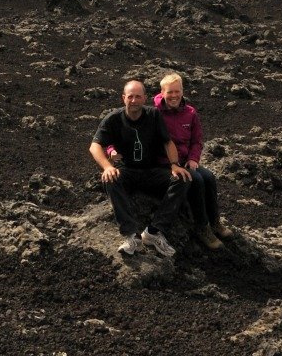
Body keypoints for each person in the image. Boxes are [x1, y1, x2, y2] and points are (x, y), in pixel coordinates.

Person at [89, 79, 191, 257]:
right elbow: (95, 146)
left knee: (182, 178)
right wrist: (107, 166)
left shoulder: (153, 115)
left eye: (138, 96)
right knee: (111, 179)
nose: (134, 100)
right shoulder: (113, 118)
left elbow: (167, 142)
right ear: (123, 98)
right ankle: (130, 235)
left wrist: (174, 165)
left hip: (151, 171)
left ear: (145, 98)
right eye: (130, 96)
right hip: (127, 170)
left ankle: (153, 231)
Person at [154, 72, 232, 249]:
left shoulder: (190, 113)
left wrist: (193, 158)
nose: (174, 96)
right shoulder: (154, 113)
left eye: (177, 91)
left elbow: (197, 140)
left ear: (182, 91)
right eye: (170, 92)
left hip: (185, 160)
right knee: (195, 180)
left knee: (209, 177)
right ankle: (202, 227)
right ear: (162, 92)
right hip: (165, 163)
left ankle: (215, 221)